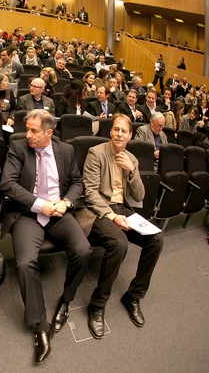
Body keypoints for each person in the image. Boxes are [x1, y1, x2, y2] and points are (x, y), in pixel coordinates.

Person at [0, 109, 90, 365]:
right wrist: (40, 205)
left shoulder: (66, 151)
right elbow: (7, 183)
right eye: (27, 129)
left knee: (82, 250)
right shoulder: (18, 147)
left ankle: (66, 301)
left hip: (59, 213)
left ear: (49, 133)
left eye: (34, 131)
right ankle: (40, 326)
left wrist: (66, 203)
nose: (27, 134)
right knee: (25, 262)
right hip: (28, 214)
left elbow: (77, 183)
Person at [75, 114, 163, 339]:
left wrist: (132, 171)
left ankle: (133, 296)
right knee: (119, 243)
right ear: (110, 131)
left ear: (130, 135)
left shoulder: (131, 158)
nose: (119, 134)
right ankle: (97, 303)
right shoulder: (97, 153)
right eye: (116, 130)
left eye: (124, 131)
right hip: (98, 211)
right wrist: (112, 216)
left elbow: (140, 195)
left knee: (156, 240)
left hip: (122, 208)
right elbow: (90, 194)